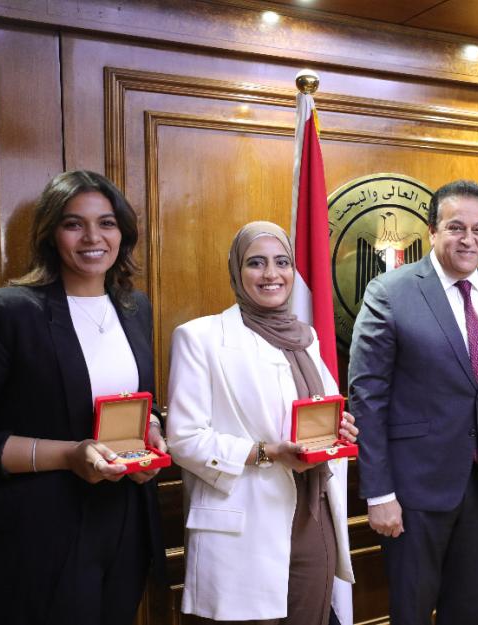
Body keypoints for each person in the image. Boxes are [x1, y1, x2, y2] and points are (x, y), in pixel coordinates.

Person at [0, 170, 166, 625]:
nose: (93, 236)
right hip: (39, 533)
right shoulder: (8, 312)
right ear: (51, 234)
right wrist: (70, 455)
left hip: (126, 521)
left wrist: (151, 431)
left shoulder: (135, 307)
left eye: (106, 223)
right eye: (74, 224)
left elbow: (134, 401)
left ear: (123, 232)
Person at [348, 179, 478, 625]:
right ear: (431, 230)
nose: (469, 240)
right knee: (410, 611)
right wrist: (379, 492)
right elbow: (368, 397)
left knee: (466, 612)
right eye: (456, 227)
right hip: (413, 490)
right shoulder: (390, 291)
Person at [166, 221, 357, 624]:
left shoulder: (307, 338)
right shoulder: (201, 337)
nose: (271, 274)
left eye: (281, 262)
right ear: (236, 271)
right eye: (256, 263)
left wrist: (339, 431)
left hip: (314, 516)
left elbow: (315, 418)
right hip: (245, 524)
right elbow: (183, 439)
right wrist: (266, 453)